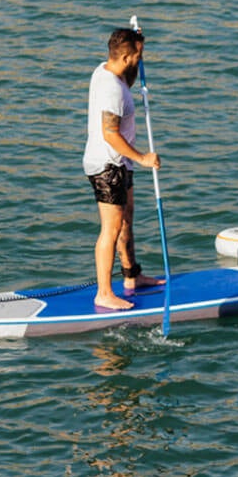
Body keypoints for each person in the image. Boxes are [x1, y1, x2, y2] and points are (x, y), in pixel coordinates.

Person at [83, 27, 163, 310]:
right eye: (138, 56)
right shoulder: (111, 90)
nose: (141, 61)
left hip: (120, 163)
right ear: (126, 56)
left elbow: (126, 77)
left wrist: (136, 38)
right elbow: (110, 133)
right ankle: (104, 293)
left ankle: (132, 276)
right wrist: (142, 158)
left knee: (127, 219)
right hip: (107, 165)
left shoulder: (107, 71)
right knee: (111, 228)